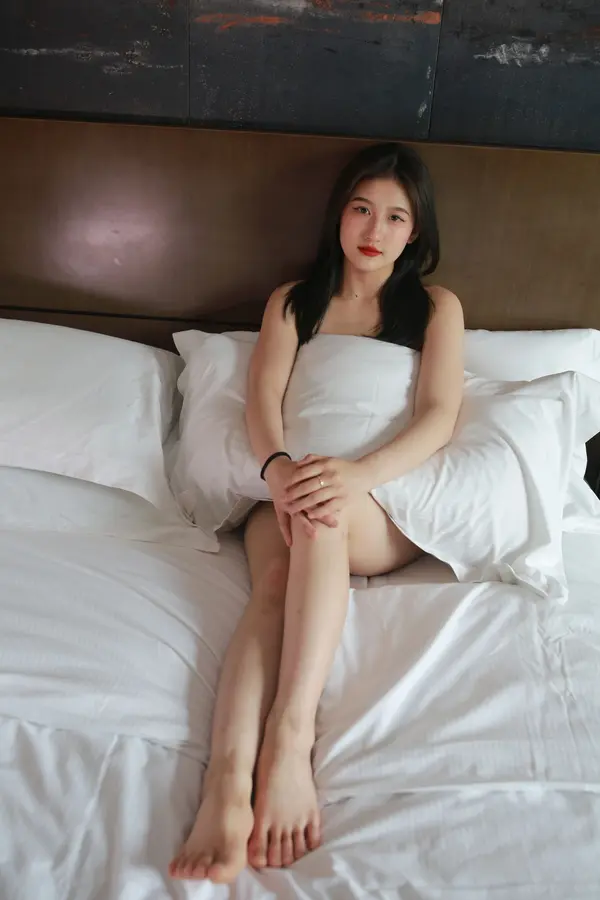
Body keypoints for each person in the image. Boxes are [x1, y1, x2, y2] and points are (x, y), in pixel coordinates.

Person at [169, 142, 464, 882]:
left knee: (325, 517)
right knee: (271, 585)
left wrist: (355, 476)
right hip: (288, 489)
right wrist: (277, 471)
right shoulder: (293, 300)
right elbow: (263, 399)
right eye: (361, 208)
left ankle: (289, 741)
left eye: (395, 217)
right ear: (339, 214)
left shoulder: (435, 307)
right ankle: (226, 786)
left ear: (415, 233)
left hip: (378, 501)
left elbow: (438, 415)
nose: (374, 229)